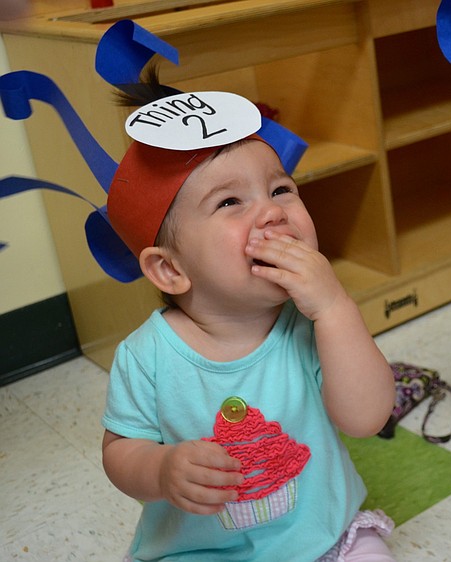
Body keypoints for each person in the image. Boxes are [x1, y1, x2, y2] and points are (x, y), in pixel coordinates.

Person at [100, 81, 397, 561]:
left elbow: (367, 418)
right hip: (200, 551)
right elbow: (119, 453)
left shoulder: (311, 322)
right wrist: (161, 469)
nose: (273, 211)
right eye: (229, 202)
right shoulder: (145, 356)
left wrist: (335, 308)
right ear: (170, 269)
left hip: (322, 534)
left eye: (281, 188)